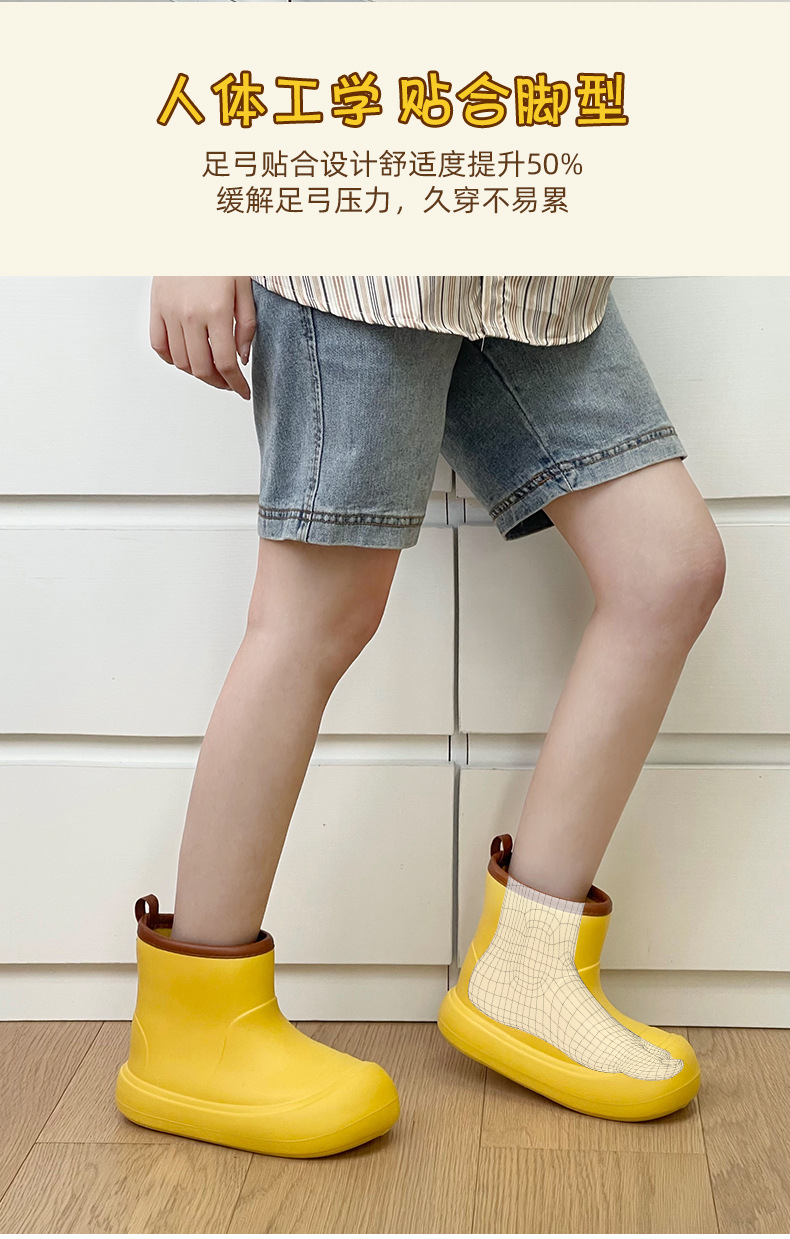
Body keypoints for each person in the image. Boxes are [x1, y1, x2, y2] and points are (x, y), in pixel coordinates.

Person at [115, 275, 726, 1155]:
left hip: (530, 270)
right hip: (358, 263)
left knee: (667, 568)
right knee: (315, 615)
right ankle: (192, 1027)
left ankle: (529, 968)